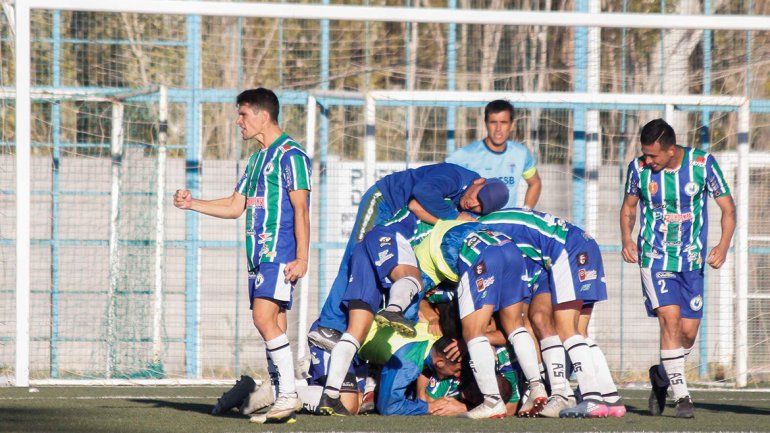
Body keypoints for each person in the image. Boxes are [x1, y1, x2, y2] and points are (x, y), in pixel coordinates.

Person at [173, 88, 311, 423]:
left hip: (280, 254)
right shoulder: (255, 161)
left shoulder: (292, 155)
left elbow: (301, 209)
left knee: (263, 320)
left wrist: (303, 257)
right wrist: (193, 204)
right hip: (257, 257)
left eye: (243, 114)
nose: (238, 122)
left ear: (264, 116)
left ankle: (289, 395)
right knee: (274, 324)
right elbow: (237, 206)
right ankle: (282, 399)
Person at [310, 171, 509, 348]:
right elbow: (421, 196)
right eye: (478, 197)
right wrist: (454, 219)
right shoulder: (455, 177)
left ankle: (351, 333)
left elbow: (422, 210)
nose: (473, 204)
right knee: (356, 257)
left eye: (480, 207)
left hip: (400, 222)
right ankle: (328, 325)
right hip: (385, 201)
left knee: (378, 275)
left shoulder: (466, 201)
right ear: (479, 181)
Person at [620, 118, 735, 419]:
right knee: (669, 320)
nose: (647, 160)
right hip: (655, 257)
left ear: (671, 150)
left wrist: (723, 245)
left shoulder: (702, 164)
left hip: (692, 261)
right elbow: (629, 207)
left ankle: (661, 375)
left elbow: (728, 208)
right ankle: (683, 397)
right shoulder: (638, 170)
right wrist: (626, 239)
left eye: (653, 155)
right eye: (644, 154)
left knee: (687, 333)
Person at [481, 208, 624, 418]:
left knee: (566, 330)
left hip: (566, 250)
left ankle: (589, 398)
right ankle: (610, 398)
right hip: (583, 243)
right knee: (580, 332)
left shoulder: (482, 231)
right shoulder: (499, 219)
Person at [413, 220, 543, 419]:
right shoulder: (443, 239)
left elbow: (414, 291)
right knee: (515, 326)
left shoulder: (423, 260)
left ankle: (491, 401)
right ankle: (537, 386)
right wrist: (431, 315)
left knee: (473, 332)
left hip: (478, 252)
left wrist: (467, 341)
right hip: (509, 247)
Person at [446, 99, 542, 209]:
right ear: (486, 123)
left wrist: (526, 211)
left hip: (506, 222)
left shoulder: (521, 153)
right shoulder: (465, 154)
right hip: (475, 223)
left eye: (503, 122)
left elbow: (535, 183)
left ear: (512, 124)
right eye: (493, 122)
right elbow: (440, 182)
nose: (498, 129)